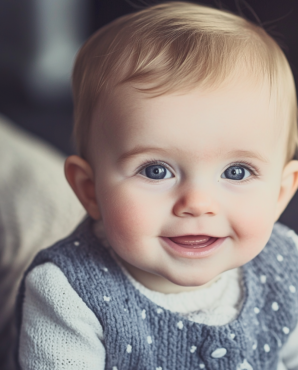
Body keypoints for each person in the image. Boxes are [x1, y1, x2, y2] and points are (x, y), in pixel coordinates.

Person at [16, 2, 298, 369]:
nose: (197, 203)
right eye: (156, 171)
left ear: (280, 193)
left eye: (237, 172)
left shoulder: (286, 265)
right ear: (90, 190)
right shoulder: (68, 292)